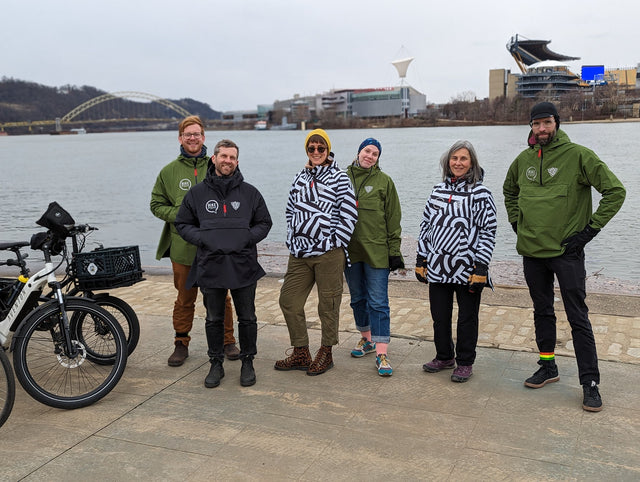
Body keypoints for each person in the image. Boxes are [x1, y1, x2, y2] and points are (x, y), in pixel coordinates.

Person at [503, 101, 625, 411]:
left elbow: (615, 191)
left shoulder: (579, 156)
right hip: (532, 252)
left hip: (567, 252)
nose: (541, 129)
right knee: (542, 311)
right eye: (536, 124)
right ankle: (548, 366)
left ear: (557, 123)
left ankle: (590, 382)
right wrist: (517, 223)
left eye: (546, 122)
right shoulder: (523, 160)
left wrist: (588, 232)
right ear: (531, 127)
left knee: (577, 315)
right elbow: (509, 191)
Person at [175, 139, 272, 388]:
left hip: (243, 264)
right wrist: (203, 239)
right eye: (223, 156)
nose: (227, 161)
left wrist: (246, 238)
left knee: (248, 317)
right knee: (213, 319)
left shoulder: (250, 193)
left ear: (237, 162)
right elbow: (183, 223)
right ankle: (215, 363)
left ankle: (248, 361)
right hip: (211, 264)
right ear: (214, 159)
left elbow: (264, 222)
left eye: (232, 157)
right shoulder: (197, 194)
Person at [150, 116, 240, 367]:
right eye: (188, 134)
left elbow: (236, 200)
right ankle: (181, 343)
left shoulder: (219, 166)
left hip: (216, 248)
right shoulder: (168, 172)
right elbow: (156, 205)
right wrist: (180, 215)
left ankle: (228, 340)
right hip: (183, 248)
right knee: (184, 298)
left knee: (222, 297)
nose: (193, 138)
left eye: (197, 134)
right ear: (180, 138)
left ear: (204, 137)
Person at [275, 129, 358, 376]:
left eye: (321, 148)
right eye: (312, 148)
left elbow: (350, 214)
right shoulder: (299, 177)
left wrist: (335, 241)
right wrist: (292, 238)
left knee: (328, 305)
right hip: (300, 253)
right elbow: (290, 211)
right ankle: (301, 352)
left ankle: (326, 352)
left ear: (328, 150)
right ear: (307, 151)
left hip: (328, 254)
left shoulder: (340, 178)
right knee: (288, 301)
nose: (316, 152)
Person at [417, 140, 497, 383]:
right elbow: (425, 225)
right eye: (454, 158)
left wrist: (481, 265)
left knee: (467, 318)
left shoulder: (481, 193)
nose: (458, 163)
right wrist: (422, 257)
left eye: (463, 159)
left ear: (471, 163)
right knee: (439, 316)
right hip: (439, 266)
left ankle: (464, 362)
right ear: (447, 162)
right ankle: (444, 356)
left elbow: (488, 230)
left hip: (469, 268)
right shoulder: (437, 190)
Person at [344, 138, 404, 377]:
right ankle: (366, 339)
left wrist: (394, 252)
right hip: (350, 251)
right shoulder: (341, 177)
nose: (370, 156)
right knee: (358, 298)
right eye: (367, 151)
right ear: (359, 152)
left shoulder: (385, 182)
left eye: (375, 153)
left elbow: (393, 219)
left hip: (377, 252)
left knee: (378, 301)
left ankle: (381, 352)